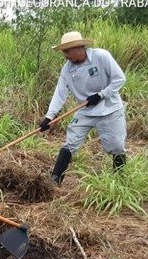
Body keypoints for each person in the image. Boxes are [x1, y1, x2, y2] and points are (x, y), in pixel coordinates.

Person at [39, 31, 127, 184]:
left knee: (116, 146)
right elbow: (60, 92)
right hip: (85, 110)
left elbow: (119, 79)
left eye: (66, 51)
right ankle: (55, 180)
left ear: (78, 48)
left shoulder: (101, 56)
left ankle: (120, 181)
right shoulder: (67, 69)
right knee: (70, 142)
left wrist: (101, 95)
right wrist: (49, 116)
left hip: (110, 108)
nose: (65, 55)